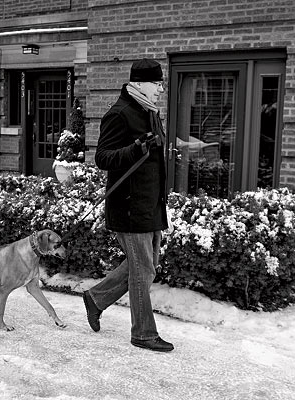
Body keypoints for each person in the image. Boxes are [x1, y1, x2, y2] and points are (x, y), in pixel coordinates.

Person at [83, 58, 174, 352]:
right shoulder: (119, 114)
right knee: (143, 271)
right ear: (141, 84)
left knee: (145, 267)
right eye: (158, 83)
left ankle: (96, 298)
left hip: (151, 205)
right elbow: (103, 158)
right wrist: (135, 149)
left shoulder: (149, 112)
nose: (161, 89)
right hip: (130, 206)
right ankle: (143, 333)